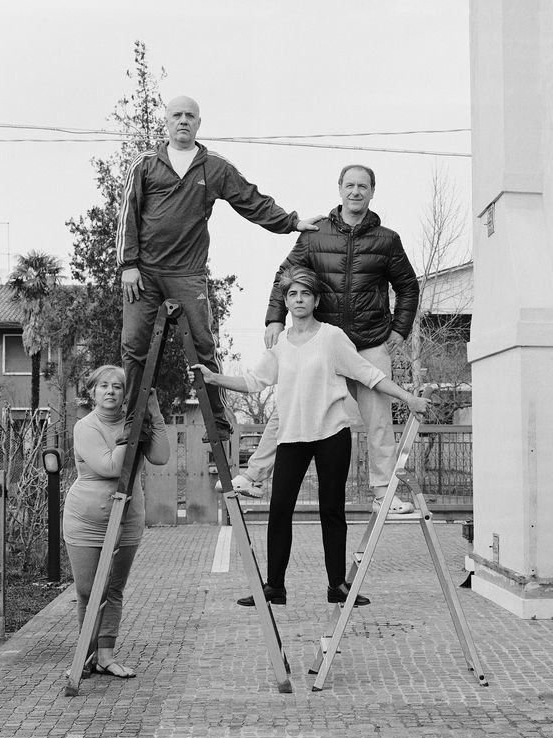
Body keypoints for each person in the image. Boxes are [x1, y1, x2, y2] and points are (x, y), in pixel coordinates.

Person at [193, 267, 429, 606]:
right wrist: (214, 378)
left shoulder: (332, 337)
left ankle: (337, 586)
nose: (299, 299)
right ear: (287, 302)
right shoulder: (281, 345)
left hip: (331, 435)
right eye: (293, 294)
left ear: (316, 300)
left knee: (332, 511)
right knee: (279, 510)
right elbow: (253, 382)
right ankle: (275, 586)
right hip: (292, 438)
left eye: (305, 294)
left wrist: (408, 399)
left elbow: (370, 375)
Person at [116, 95, 323, 443]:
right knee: (134, 346)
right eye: (177, 115)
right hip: (144, 273)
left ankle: (218, 419)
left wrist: (291, 222)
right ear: (166, 122)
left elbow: (251, 200)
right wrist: (128, 265)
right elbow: (127, 214)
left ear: (199, 123)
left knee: (202, 344)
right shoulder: (145, 164)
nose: (183, 120)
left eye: (190, 116)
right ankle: (134, 420)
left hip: (188, 272)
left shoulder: (214, 166)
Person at [227, 164, 420, 514]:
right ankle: (253, 477)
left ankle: (383, 494)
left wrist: (399, 329)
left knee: (379, 420)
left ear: (372, 191)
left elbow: (408, 286)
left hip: (369, 342)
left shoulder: (387, 240)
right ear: (340, 188)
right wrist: (275, 318)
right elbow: (285, 275)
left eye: (363, 186)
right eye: (350, 185)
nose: (356, 191)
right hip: (323, 345)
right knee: (288, 409)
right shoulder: (315, 235)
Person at [63, 365, 170, 678]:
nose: (110, 391)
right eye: (103, 386)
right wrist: (134, 430)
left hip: (128, 517)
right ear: (92, 392)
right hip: (86, 520)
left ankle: (105, 657)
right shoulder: (85, 427)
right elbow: (111, 467)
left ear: (127, 394)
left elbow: (161, 457)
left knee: (113, 589)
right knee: (87, 591)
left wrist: (153, 413)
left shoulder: (135, 421)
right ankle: (86, 655)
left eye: (118, 386)